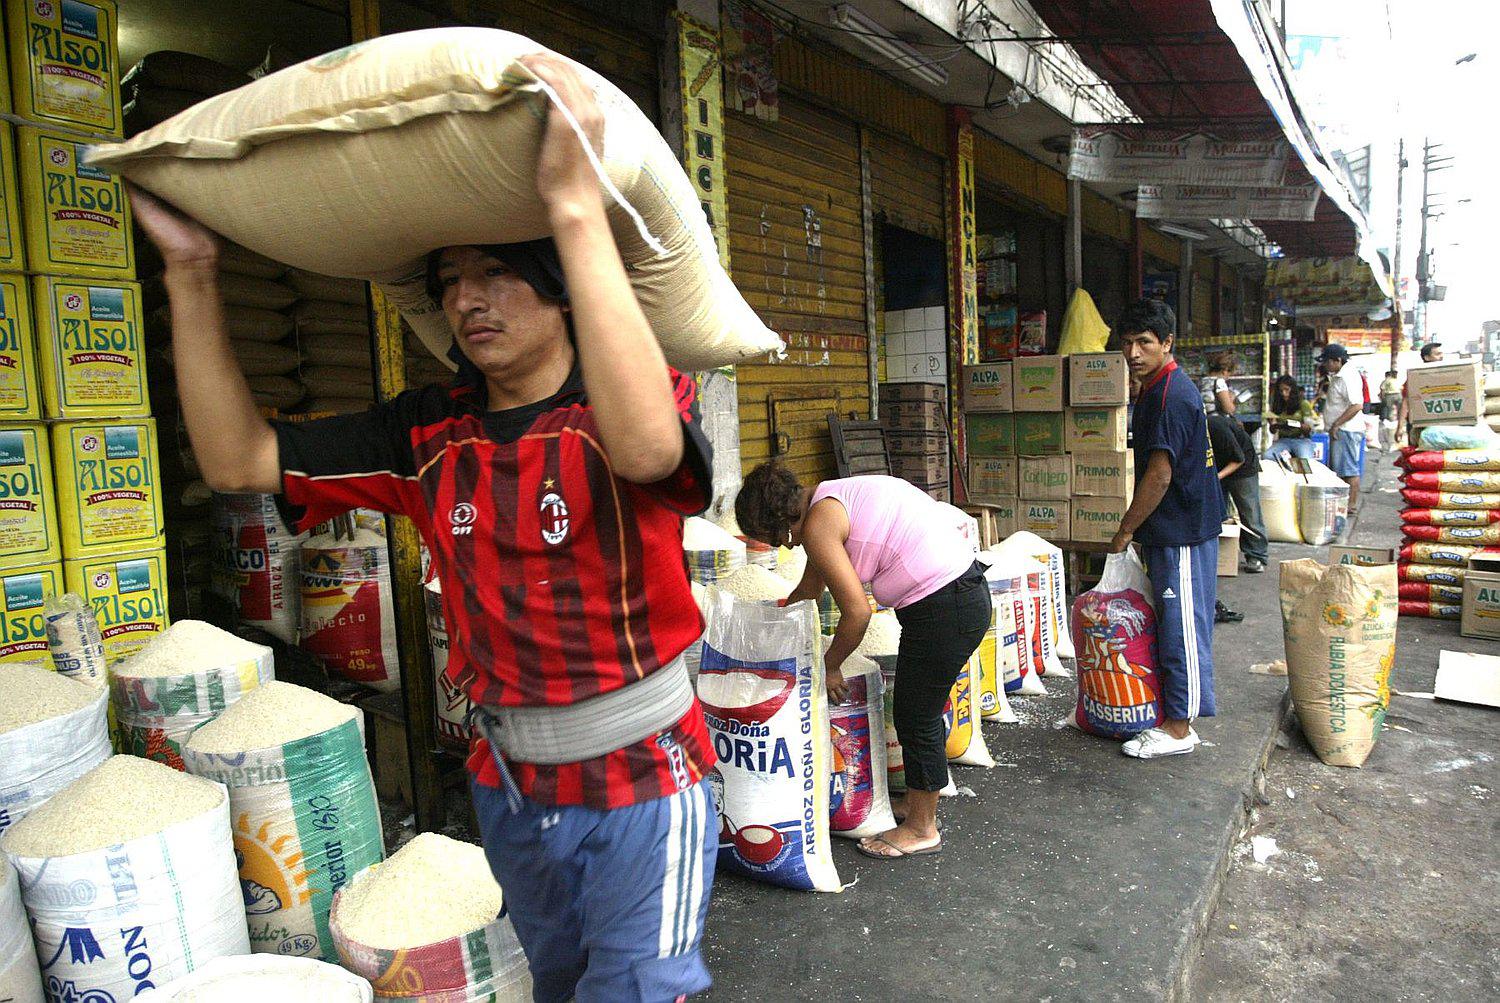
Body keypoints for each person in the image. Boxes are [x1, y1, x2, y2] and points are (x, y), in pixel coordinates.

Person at [132, 55, 720, 1002]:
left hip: (645, 777)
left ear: (561, 287)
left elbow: (653, 451)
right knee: (561, 983)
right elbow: (239, 460)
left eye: (497, 274)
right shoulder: (426, 433)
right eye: (449, 280)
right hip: (511, 783)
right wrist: (193, 272)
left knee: (640, 990)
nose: (465, 300)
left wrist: (574, 210)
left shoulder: (623, 404)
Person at [734, 466, 989, 859]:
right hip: (956, 595)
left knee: (915, 714)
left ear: (781, 521)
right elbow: (809, 589)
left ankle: (922, 828)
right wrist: (770, 630)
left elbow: (857, 614)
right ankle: (915, 806)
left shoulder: (819, 525)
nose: (784, 548)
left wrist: (831, 664)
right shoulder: (827, 501)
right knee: (918, 707)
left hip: (946, 605)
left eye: (776, 539)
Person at [1109, 299, 1220, 759]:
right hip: (1170, 528)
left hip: (1183, 529)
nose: (1134, 352)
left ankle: (1180, 727)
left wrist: (1124, 532)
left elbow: (1160, 474)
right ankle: (1171, 712)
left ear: (1167, 343)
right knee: (1170, 625)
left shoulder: (1171, 395)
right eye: (1128, 342)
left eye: (1145, 343)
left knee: (1183, 629)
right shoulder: (1154, 388)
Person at [1207, 412, 1268, 579]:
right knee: (1219, 511)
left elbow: (1238, 459)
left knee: (1249, 510)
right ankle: (1221, 555)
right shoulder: (1193, 432)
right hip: (1219, 467)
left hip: (1243, 466)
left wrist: (1217, 477)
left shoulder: (1215, 427)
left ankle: (1257, 555)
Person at [1318, 344, 1365, 515]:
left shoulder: (1347, 377)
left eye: (1327, 362)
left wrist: (1337, 424)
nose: (1325, 366)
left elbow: (1357, 405)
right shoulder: (1340, 375)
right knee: (1342, 468)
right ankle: (1345, 504)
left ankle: (1350, 505)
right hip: (1342, 429)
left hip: (1346, 429)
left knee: (1349, 469)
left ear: (1337, 360)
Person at [1263, 375, 1320, 459]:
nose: (1283, 393)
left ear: (1292, 390)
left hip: (1301, 440)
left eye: (1286, 389)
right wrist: (1273, 424)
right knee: (1267, 456)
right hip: (1283, 440)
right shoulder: (1277, 406)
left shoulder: (1303, 404)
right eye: (1281, 391)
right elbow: (1273, 431)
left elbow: (1309, 429)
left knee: (1305, 460)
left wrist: (1298, 425)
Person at [1398, 342, 1446, 438]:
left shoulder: (1450, 375)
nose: (1442, 357)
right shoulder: (1416, 377)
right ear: (1426, 358)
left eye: (1442, 353)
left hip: (1444, 425)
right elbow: (1406, 401)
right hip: (1420, 426)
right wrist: (1400, 427)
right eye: (1437, 354)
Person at [1199, 351, 1238, 415]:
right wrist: (1231, 398)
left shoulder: (1202, 381)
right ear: (1225, 371)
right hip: (1217, 420)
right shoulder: (1219, 382)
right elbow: (1228, 409)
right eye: (1230, 374)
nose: (1228, 377)